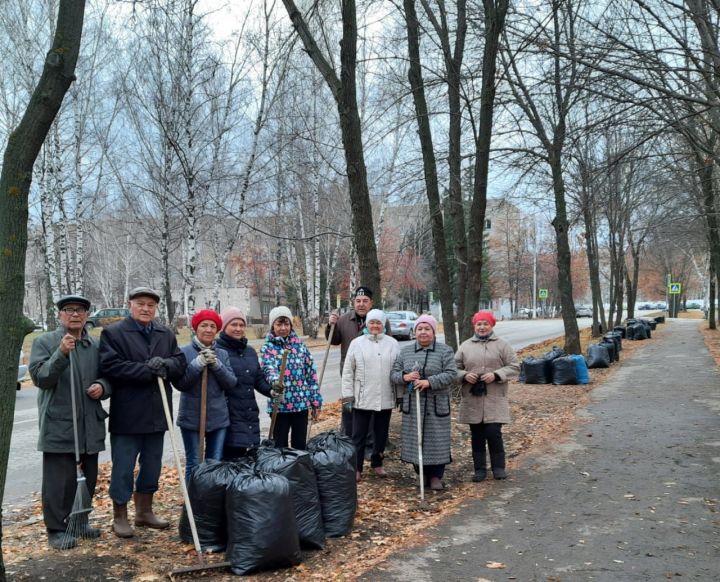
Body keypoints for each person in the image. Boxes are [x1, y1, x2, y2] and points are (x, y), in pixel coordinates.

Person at [99, 286, 186, 539]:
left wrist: (166, 364)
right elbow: (111, 366)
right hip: (128, 413)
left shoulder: (165, 333)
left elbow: (179, 362)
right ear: (131, 305)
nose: (146, 309)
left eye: (151, 305)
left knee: (152, 465)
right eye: (141, 304)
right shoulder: (114, 333)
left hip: (158, 412)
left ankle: (144, 512)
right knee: (123, 467)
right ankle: (120, 516)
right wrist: (148, 370)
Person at [29, 295, 111, 550]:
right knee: (58, 482)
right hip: (59, 424)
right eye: (68, 310)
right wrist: (61, 353)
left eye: (80, 310)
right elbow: (41, 378)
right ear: (60, 315)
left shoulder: (94, 345)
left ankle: (80, 521)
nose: (75, 314)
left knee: (88, 477)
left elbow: (109, 377)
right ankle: (56, 529)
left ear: (87, 315)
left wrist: (102, 386)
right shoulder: (46, 342)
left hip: (89, 425)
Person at [391, 314, 456, 491]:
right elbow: (394, 374)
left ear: (434, 331)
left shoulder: (445, 351)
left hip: (436, 405)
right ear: (415, 331)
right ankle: (421, 474)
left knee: (436, 441)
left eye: (427, 329)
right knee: (416, 440)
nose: (423, 332)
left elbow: (451, 373)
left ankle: (436, 476)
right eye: (420, 329)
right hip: (414, 405)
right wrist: (405, 377)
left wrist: (430, 382)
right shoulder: (406, 351)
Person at [455, 310, 520, 481]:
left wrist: (497, 374)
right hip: (472, 398)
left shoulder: (502, 345)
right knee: (476, 434)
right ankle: (480, 470)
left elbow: (514, 366)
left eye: (485, 324)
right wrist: (464, 375)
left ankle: (498, 467)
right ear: (474, 326)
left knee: (493, 432)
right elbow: (453, 369)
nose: (482, 327)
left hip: (495, 397)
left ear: (492, 325)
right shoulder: (465, 346)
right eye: (479, 324)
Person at [175, 309, 236, 480]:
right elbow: (181, 384)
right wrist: (197, 364)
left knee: (213, 463)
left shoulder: (222, 354)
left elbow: (230, 383)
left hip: (218, 418)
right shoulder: (184, 352)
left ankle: (209, 502)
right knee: (194, 463)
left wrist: (217, 365)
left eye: (212, 326)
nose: (208, 330)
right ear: (196, 328)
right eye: (204, 325)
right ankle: (192, 504)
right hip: (191, 418)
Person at [341, 309, 399, 482]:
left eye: (378, 323)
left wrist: (400, 395)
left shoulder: (392, 343)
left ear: (383, 325)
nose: (375, 326)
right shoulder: (357, 343)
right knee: (358, 434)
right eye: (372, 322)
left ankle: (377, 462)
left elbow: (398, 369)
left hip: (385, 396)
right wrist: (347, 396)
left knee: (381, 433)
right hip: (361, 397)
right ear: (367, 324)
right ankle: (357, 467)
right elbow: (347, 372)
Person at [327, 286, 390, 438]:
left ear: (371, 303)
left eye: (365, 301)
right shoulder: (343, 320)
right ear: (353, 302)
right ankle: (347, 440)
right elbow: (334, 340)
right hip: (350, 373)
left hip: (374, 375)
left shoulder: (380, 321)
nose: (361, 304)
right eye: (358, 301)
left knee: (371, 410)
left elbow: (388, 344)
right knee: (349, 407)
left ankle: (370, 442)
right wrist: (331, 326)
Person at [260, 306, 322, 449]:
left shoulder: (300, 346)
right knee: (280, 445)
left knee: (299, 445)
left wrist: (315, 401)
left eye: (286, 324)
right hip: (279, 406)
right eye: (279, 324)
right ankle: (282, 471)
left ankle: (298, 470)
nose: (283, 328)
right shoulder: (268, 348)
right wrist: (276, 382)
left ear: (291, 325)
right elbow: (268, 368)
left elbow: (311, 375)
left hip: (300, 405)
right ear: (272, 326)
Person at [215, 307, 272, 459]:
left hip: (248, 413)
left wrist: (272, 391)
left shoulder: (250, 352)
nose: (238, 328)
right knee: (228, 460)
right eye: (233, 324)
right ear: (224, 326)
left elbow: (258, 379)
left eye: (241, 325)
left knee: (245, 462)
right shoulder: (217, 351)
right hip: (227, 415)